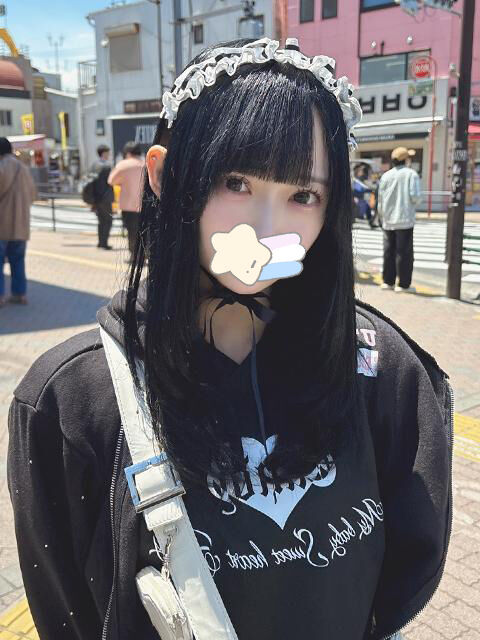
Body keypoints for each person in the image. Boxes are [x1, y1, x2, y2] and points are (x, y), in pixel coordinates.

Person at [8, 38, 452, 640]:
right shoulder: (71, 398)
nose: (265, 228)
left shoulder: (382, 364)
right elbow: (68, 611)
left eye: (303, 195)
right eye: (235, 182)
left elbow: (409, 559)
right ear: (164, 174)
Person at [377, 147, 421, 293]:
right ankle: (403, 285)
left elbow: (380, 199)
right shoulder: (411, 174)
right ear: (405, 160)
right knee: (404, 253)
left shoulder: (386, 176)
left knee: (389, 252)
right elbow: (415, 197)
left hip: (388, 220)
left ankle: (388, 282)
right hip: (405, 219)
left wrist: (381, 216)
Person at [0, 137, 36, 307]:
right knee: (18, 261)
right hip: (21, 224)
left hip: (2, 224)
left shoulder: (1, 166)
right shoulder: (23, 168)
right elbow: (33, 195)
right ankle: (20, 294)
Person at [108, 141, 145, 262]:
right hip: (146, 204)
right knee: (146, 231)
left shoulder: (123, 165)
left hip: (128, 206)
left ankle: (134, 256)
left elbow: (111, 181)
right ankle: (145, 255)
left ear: (128, 153)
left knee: (132, 231)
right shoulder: (146, 163)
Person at [90, 144, 115, 250]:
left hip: (96, 198)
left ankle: (100, 242)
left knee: (101, 221)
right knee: (108, 220)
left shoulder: (94, 165)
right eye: (108, 153)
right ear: (104, 153)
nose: (109, 155)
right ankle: (104, 243)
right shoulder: (107, 166)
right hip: (105, 198)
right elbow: (111, 181)